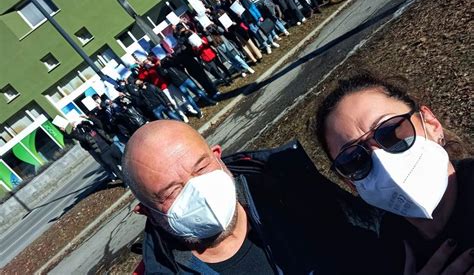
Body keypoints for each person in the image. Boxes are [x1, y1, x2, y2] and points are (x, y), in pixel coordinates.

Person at [123, 121, 408, 274]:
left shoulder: (298, 197)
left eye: (201, 168)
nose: (199, 191)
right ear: (147, 212)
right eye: (173, 191)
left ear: (218, 158)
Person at [315, 73, 474, 274]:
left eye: (390, 132)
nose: (382, 161)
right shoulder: (388, 249)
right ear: (349, 182)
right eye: (354, 159)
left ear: (431, 124)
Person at [63, 116, 124, 181]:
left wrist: (87, 117)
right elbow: (75, 136)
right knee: (113, 167)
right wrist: (72, 128)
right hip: (102, 152)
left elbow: (97, 122)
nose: (86, 127)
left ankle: (130, 172)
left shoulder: (95, 128)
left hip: (110, 147)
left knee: (123, 161)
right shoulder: (84, 135)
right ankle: (125, 181)